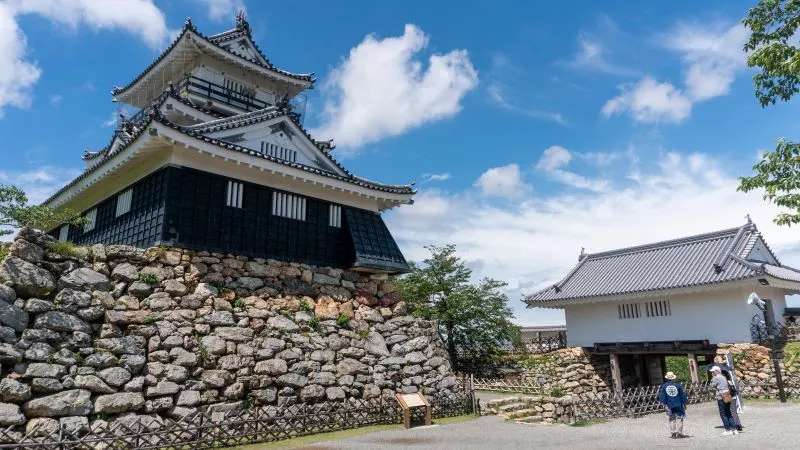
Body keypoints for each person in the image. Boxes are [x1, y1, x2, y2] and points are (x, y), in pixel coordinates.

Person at [658, 371, 688, 439]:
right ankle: (679, 433)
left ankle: (673, 433)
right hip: (678, 404)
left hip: (669, 405)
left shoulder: (664, 386)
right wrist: (685, 404)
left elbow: (662, 396)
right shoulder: (678, 385)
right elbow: (682, 395)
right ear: (673, 378)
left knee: (672, 419)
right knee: (679, 419)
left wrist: (664, 404)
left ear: (667, 378)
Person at [710, 366, 737, 436]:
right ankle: (734, 429)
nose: (712, 373)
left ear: (717, 371)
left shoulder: (716, 378)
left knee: (723, 414)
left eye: (713, 371)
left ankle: (728, 430)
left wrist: (712, 378)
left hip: (721, 396)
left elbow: (711, 386)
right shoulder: (724, 377)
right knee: (728, 413)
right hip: (727, 394)